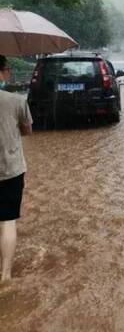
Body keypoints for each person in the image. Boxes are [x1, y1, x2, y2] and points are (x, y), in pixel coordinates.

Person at [0, 55, 33, 282]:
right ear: (5, 71)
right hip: (10, 169)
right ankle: (6, 274)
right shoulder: (16, 101)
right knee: (7, 222)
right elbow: (27, 130)